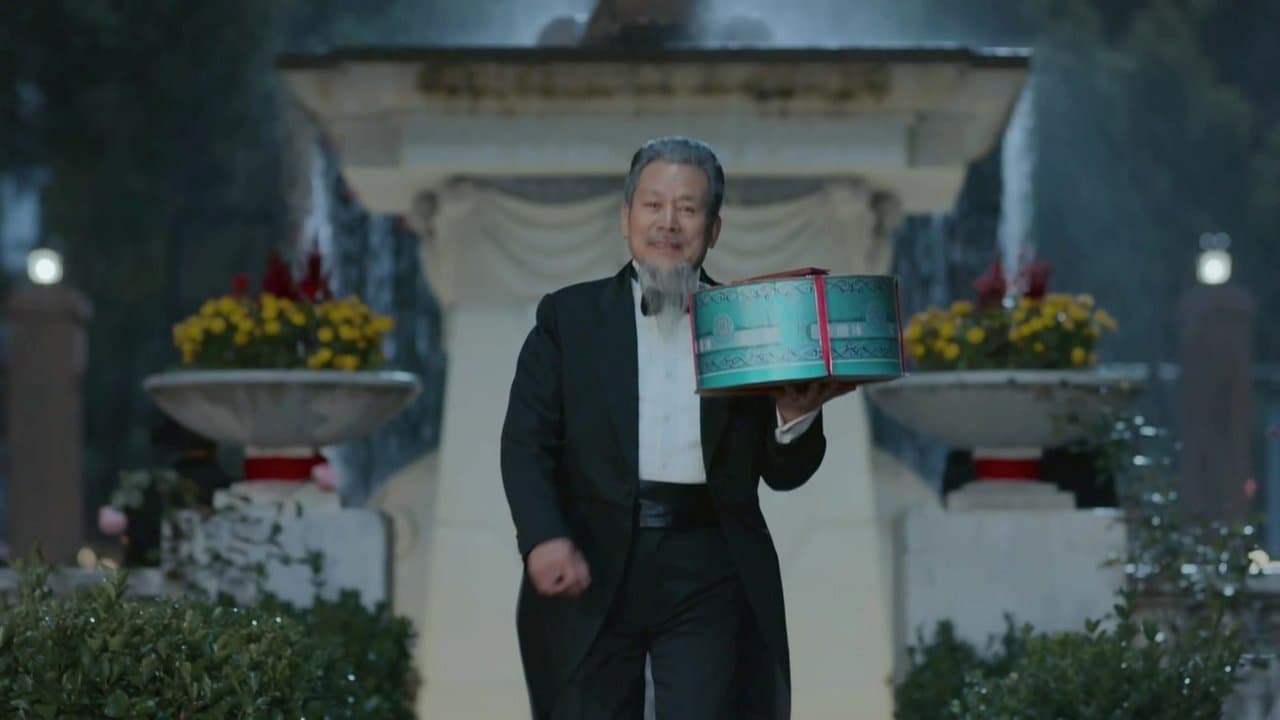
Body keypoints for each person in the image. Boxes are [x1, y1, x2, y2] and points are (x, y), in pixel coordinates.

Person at [500, 136, 854, 719]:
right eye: (653, 205)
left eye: (688, 209)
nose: (668, 222)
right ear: (626, 218)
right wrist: (543, 537)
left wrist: (796, 415)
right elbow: (526, 442)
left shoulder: (752, 325)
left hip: (710, 563)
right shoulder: (568, 317)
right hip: (593, 555)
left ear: (713, 229)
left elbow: (783, 473)